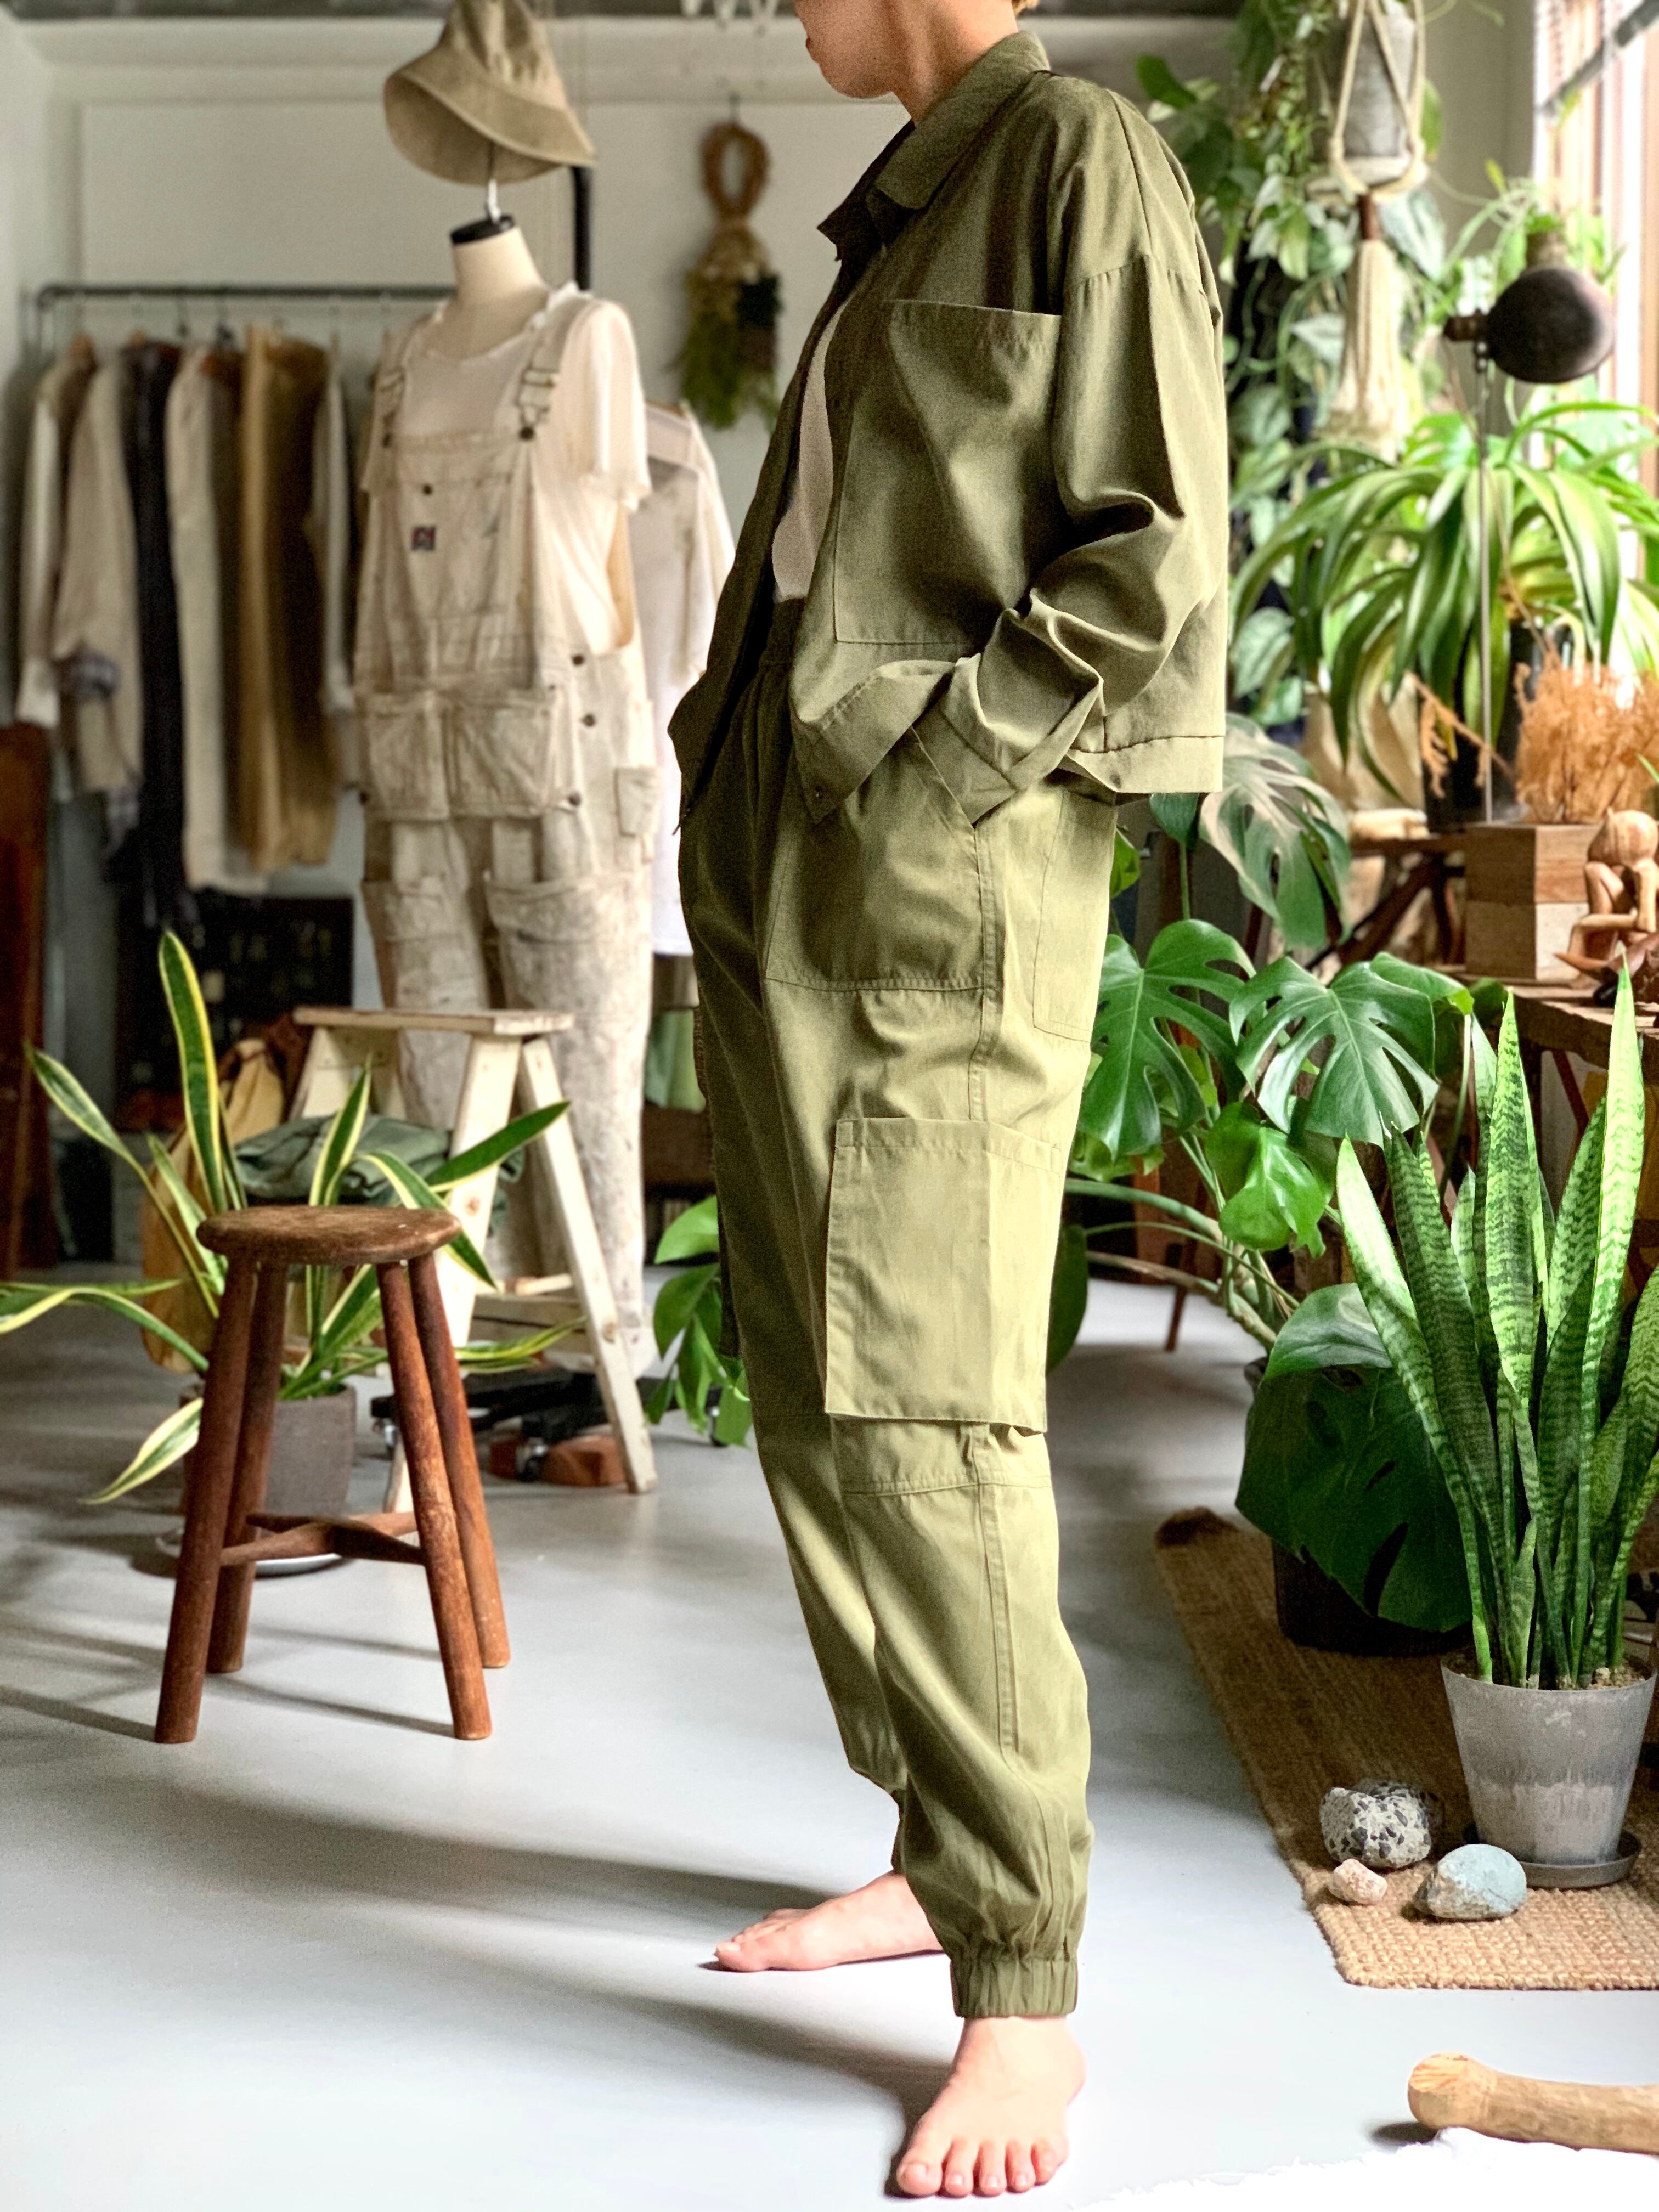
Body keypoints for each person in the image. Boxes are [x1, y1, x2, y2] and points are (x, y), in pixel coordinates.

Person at [670, 0, 1228, 2194]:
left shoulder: (1075, 153)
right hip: (792, 868)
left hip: (933, 889)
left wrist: (938, 775)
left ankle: (1027, 1990)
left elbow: (1150, 551)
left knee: (924, 1403)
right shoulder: (908, 203)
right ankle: (935, 1852)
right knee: (816, 1386)